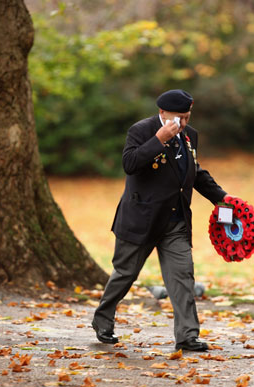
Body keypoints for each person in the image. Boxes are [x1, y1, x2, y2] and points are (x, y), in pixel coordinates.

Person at [91, 89, 228, 352]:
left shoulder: (190, 136)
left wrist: (222, 198)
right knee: (125, 274)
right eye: (178, 118)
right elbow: (129, 164)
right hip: (141, 219)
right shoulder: (141, 131)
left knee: (182, 277)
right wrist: (159, 139)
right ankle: (103, 320)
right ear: (163, 113)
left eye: (187, 117)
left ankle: (187, 335)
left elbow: (194, 172)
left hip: (175, 221)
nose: (183, 124)